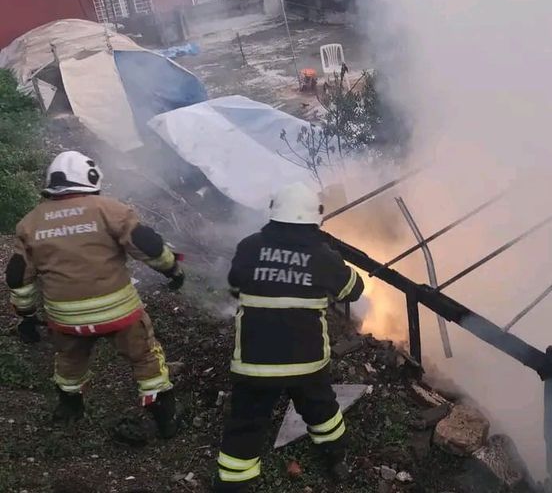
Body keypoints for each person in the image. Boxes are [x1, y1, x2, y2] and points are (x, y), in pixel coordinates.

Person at [3, 151, 185, 437]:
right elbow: (148, 247)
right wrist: (172, 269)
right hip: (120, 313)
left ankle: (69, 407)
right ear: (91, 178)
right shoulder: (110, 209)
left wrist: (26, 315)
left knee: (69, 359)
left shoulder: (30, 223)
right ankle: (164, 414)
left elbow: (18, 277)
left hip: (66, 317)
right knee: (145, 356)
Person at [213, 182, 364, 492]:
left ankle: (233, 484)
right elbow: (354, 290)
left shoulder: (249, 247)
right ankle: (337, 458)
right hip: (306, 362)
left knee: (246, 422)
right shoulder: (323, 256)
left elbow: (235, 285)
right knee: (322, 411)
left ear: (274, 212)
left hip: (256, 363)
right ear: (315, 218)